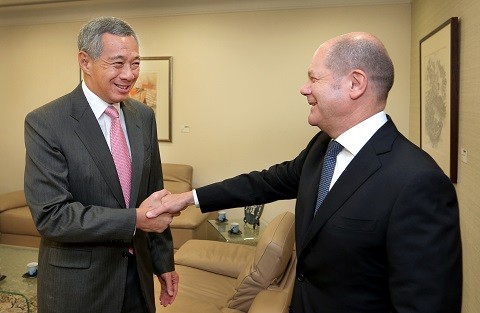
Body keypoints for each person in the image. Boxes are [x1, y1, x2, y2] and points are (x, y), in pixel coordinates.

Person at [149, 32, 462, 312]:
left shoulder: (418, 181)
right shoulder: (324, 146)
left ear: (355, 83)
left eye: (314, 78)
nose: (304, 89)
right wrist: (188, 198)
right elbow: (264, 182)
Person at [24, 16, 178, 313]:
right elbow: (52, 216)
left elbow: (155, 196)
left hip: (137, 280)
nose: (129, 74)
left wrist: (163, 262)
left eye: (135, 63)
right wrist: (133, 219)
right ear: (85, 61)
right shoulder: (46, 123)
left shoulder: (143, 117)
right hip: (79, 288)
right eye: (117, 63)